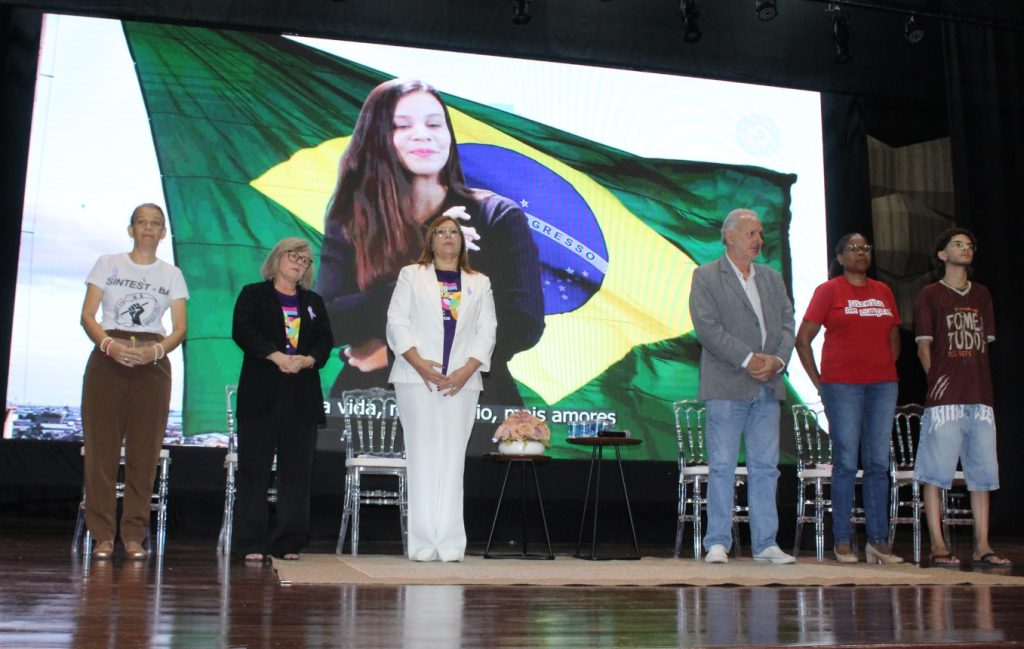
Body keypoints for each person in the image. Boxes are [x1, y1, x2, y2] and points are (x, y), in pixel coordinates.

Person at [317, 78, 543, 408]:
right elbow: (328, 323)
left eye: (435, 124)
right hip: (373, 404)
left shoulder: (495, 216)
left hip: (473, 401)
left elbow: (520, 324)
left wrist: (399, 353)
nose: (422, 133)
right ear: (377, 138)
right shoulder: (353, 218)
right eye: (401, 125)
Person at [79, 203, 189, 560]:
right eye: (141, 222)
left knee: (144, 453)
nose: (148, 228)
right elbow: (87, 315)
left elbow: (180, 328)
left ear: (163, 233)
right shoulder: (107, 263)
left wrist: (155, 352)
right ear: (131, 229)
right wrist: (109, 345)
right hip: (108, 356)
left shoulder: (172, 274)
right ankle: (102, 535)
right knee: (101, 452)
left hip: (152, 363)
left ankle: (133, 535)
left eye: (155, 223)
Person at [688, 208, 796, 565]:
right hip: (727, 385)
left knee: (766, 467)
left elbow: (786, 323)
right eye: (752, 234)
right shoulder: (705, 276)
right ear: (730, 236)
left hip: (768, 386)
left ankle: (766, 544)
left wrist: (777, 361)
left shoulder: (771, 278)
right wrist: (750, 359)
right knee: (722, 465)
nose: (759, 241)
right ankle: (717, 541)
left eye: (760, 234)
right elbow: (707, 328)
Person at [386, 215, 497, 562]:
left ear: (462, 242)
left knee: (452, 459)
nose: (448, 237)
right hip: (415, 377)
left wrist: (466, 370)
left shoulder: (480, 282)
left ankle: (449, 544)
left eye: (454, 232)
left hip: (462, 382)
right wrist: (419, 363)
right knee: (421, 456)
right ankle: (422, 544)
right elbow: (396, 321)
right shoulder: (411, 275)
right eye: (441, 232)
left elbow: (487, 330)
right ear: (430, 241)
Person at [795, 232, 903, 564]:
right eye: (853, 249)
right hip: (841, 386)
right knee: (845, 462)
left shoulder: (883, 291)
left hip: (882, 385)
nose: (861, 253)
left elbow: (893, 337)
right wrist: (820, 383)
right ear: (840, 258)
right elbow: (803, 339)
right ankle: (842, 540)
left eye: (866, 248)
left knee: (876, 464)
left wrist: (882, 369)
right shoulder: (829, 291)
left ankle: (878, 542)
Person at [231, 238, 334, 563]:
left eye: (306, 260)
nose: (300, 263)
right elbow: (242, 331)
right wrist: (275, 356)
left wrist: (307, 360)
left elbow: (325, 340)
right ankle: (250, 542)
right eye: (294, 256)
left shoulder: (313, 301)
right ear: (277, 258)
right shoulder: (253, 294)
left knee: (296, 473)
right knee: (254, 471)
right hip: (261, 393)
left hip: (301, 397)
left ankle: (288, 541)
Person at [913, 228, 1010, 568]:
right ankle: (939, 544)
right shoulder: (930, 294)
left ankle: (982, 544)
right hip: (945, 400)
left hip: (980, 396)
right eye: (958, 244)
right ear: (942, 254)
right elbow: (924, 345)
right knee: (936, 473)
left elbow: (985, 343)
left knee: (983, 474)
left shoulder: (982, 294)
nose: (965, 249)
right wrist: (935, 381)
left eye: (969, 245)